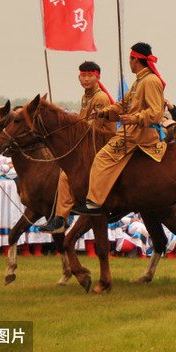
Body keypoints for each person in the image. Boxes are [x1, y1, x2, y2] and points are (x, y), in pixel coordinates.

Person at [72, 43, 167, 215]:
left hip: (140, 134)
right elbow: (123, 105)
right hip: (131, 131)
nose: (129, 63)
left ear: (135, 60)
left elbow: (156, 112)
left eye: (130, 59)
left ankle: (94, 203)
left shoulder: (151, 81)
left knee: (102, 158)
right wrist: (103, 113)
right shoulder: (139, 81)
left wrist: (133, 118)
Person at [43, 61, 115, 232]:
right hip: (89, 143)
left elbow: (92, 128)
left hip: (101, 143)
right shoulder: (86, 97)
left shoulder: (100, 98)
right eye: (83, 75)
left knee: (66, 174)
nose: (86, 79)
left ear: (98, 77)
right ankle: (63, 214)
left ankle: (61, 217)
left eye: (90, 75)